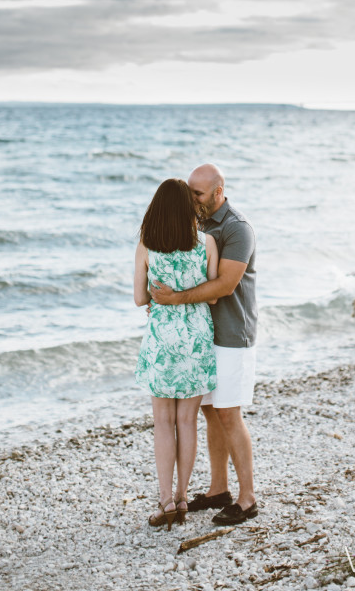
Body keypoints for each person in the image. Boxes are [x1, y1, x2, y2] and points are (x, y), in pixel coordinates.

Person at [150, 164, 258, 526]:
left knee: (229, 412)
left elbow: (225, 285)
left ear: (218, 191)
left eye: (197, 194)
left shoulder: (237, 228)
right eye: (189, 193)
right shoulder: (199, 227)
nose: (192, 199)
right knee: (211, 412)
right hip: (202, 337)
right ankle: (218, 489)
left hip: (231, 335)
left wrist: (173, 299)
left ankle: (247, 498)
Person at [133, 178, 219, 530]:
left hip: (162, 339)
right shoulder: (207, 243)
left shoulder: (147, 245)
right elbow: (213, 294)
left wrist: (158, 298)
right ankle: (184, 497)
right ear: (188, 208)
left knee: (163, 424)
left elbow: (140, 299)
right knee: (188, 422)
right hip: (197, 337)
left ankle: (166, 500)